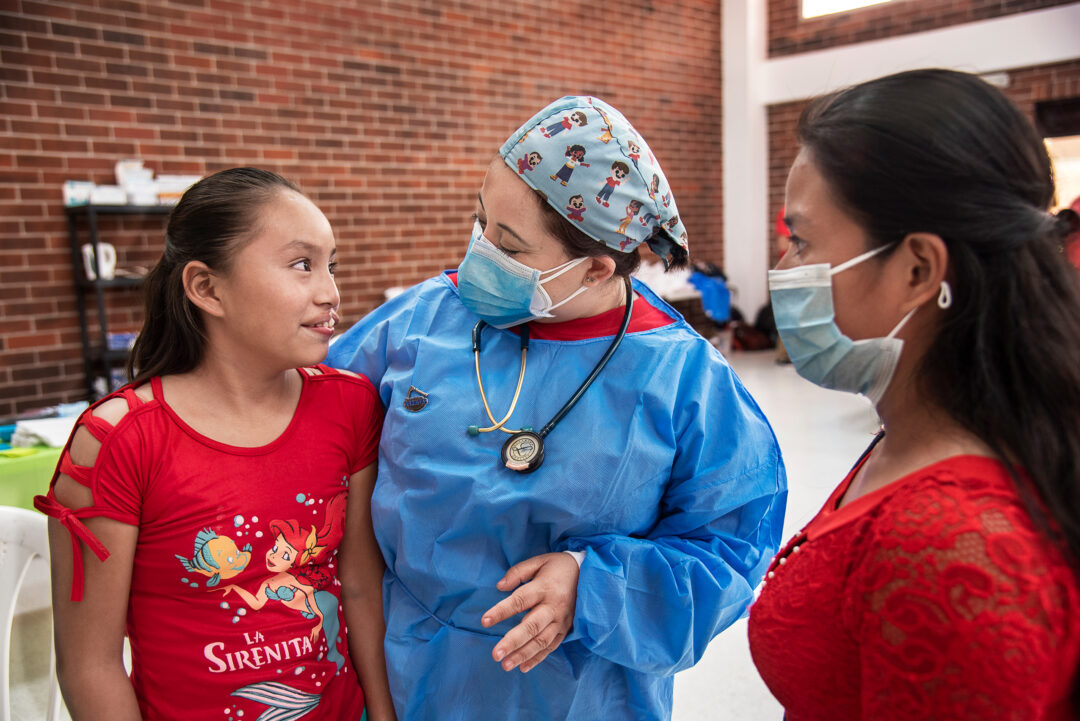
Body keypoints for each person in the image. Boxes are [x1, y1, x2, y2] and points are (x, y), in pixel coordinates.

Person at [328, 96, 787, 720]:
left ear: (596, 269)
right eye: (479, 223)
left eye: (510, 249)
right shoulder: (419, 323)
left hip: (578, 691)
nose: (478, 256)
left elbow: (730, 548)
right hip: (406, 671)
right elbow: (307, 423)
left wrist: (594, 585)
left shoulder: (682, 378)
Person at [748, 69, 1080, 720]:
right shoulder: (914, 431)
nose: (784, 271)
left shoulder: (952, 548)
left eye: (803, 242)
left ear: (918, 269)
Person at [35, 168, 396, 721]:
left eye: (332, 266)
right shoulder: (119, 440)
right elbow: (90, 665)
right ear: (206, 288)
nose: (331, 293)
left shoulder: (349, 407)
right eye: (302, 265)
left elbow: (363, 592)